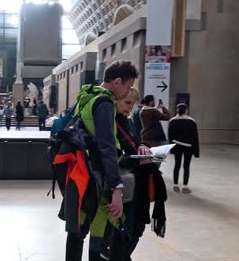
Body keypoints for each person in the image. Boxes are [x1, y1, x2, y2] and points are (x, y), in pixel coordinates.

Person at [66, 60, 138, 261]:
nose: (127, 91)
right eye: (128, 86)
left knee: (76, 233)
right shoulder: (105, 103)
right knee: (104, 232)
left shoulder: (87, 96)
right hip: (95, 178)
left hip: (80, 174)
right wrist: (117, 188)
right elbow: (107, 147)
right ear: (117, 81)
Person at [106, 88, 167, 261]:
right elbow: (110, 156)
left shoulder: (127, 120)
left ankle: (123, 257)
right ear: (116, 100)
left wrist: (143, 146)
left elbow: (134, 139)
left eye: (133, 103)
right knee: (123, 230)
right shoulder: (109, 122)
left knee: (138, 228)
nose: (130, 107)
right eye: (127, 102)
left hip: (137, 182)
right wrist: (137, 160)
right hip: (124, 183)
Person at [168, 103, 200, 193]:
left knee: (177, 165)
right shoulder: (191, 121)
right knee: (186, 166)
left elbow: (170, 136)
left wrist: (172, 148)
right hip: (188, 147)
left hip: (177, 146)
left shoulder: (173, 120)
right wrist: (196, 152)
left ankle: (175, 186)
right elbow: (194, 137)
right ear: (186, 110)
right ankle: (185, 187)